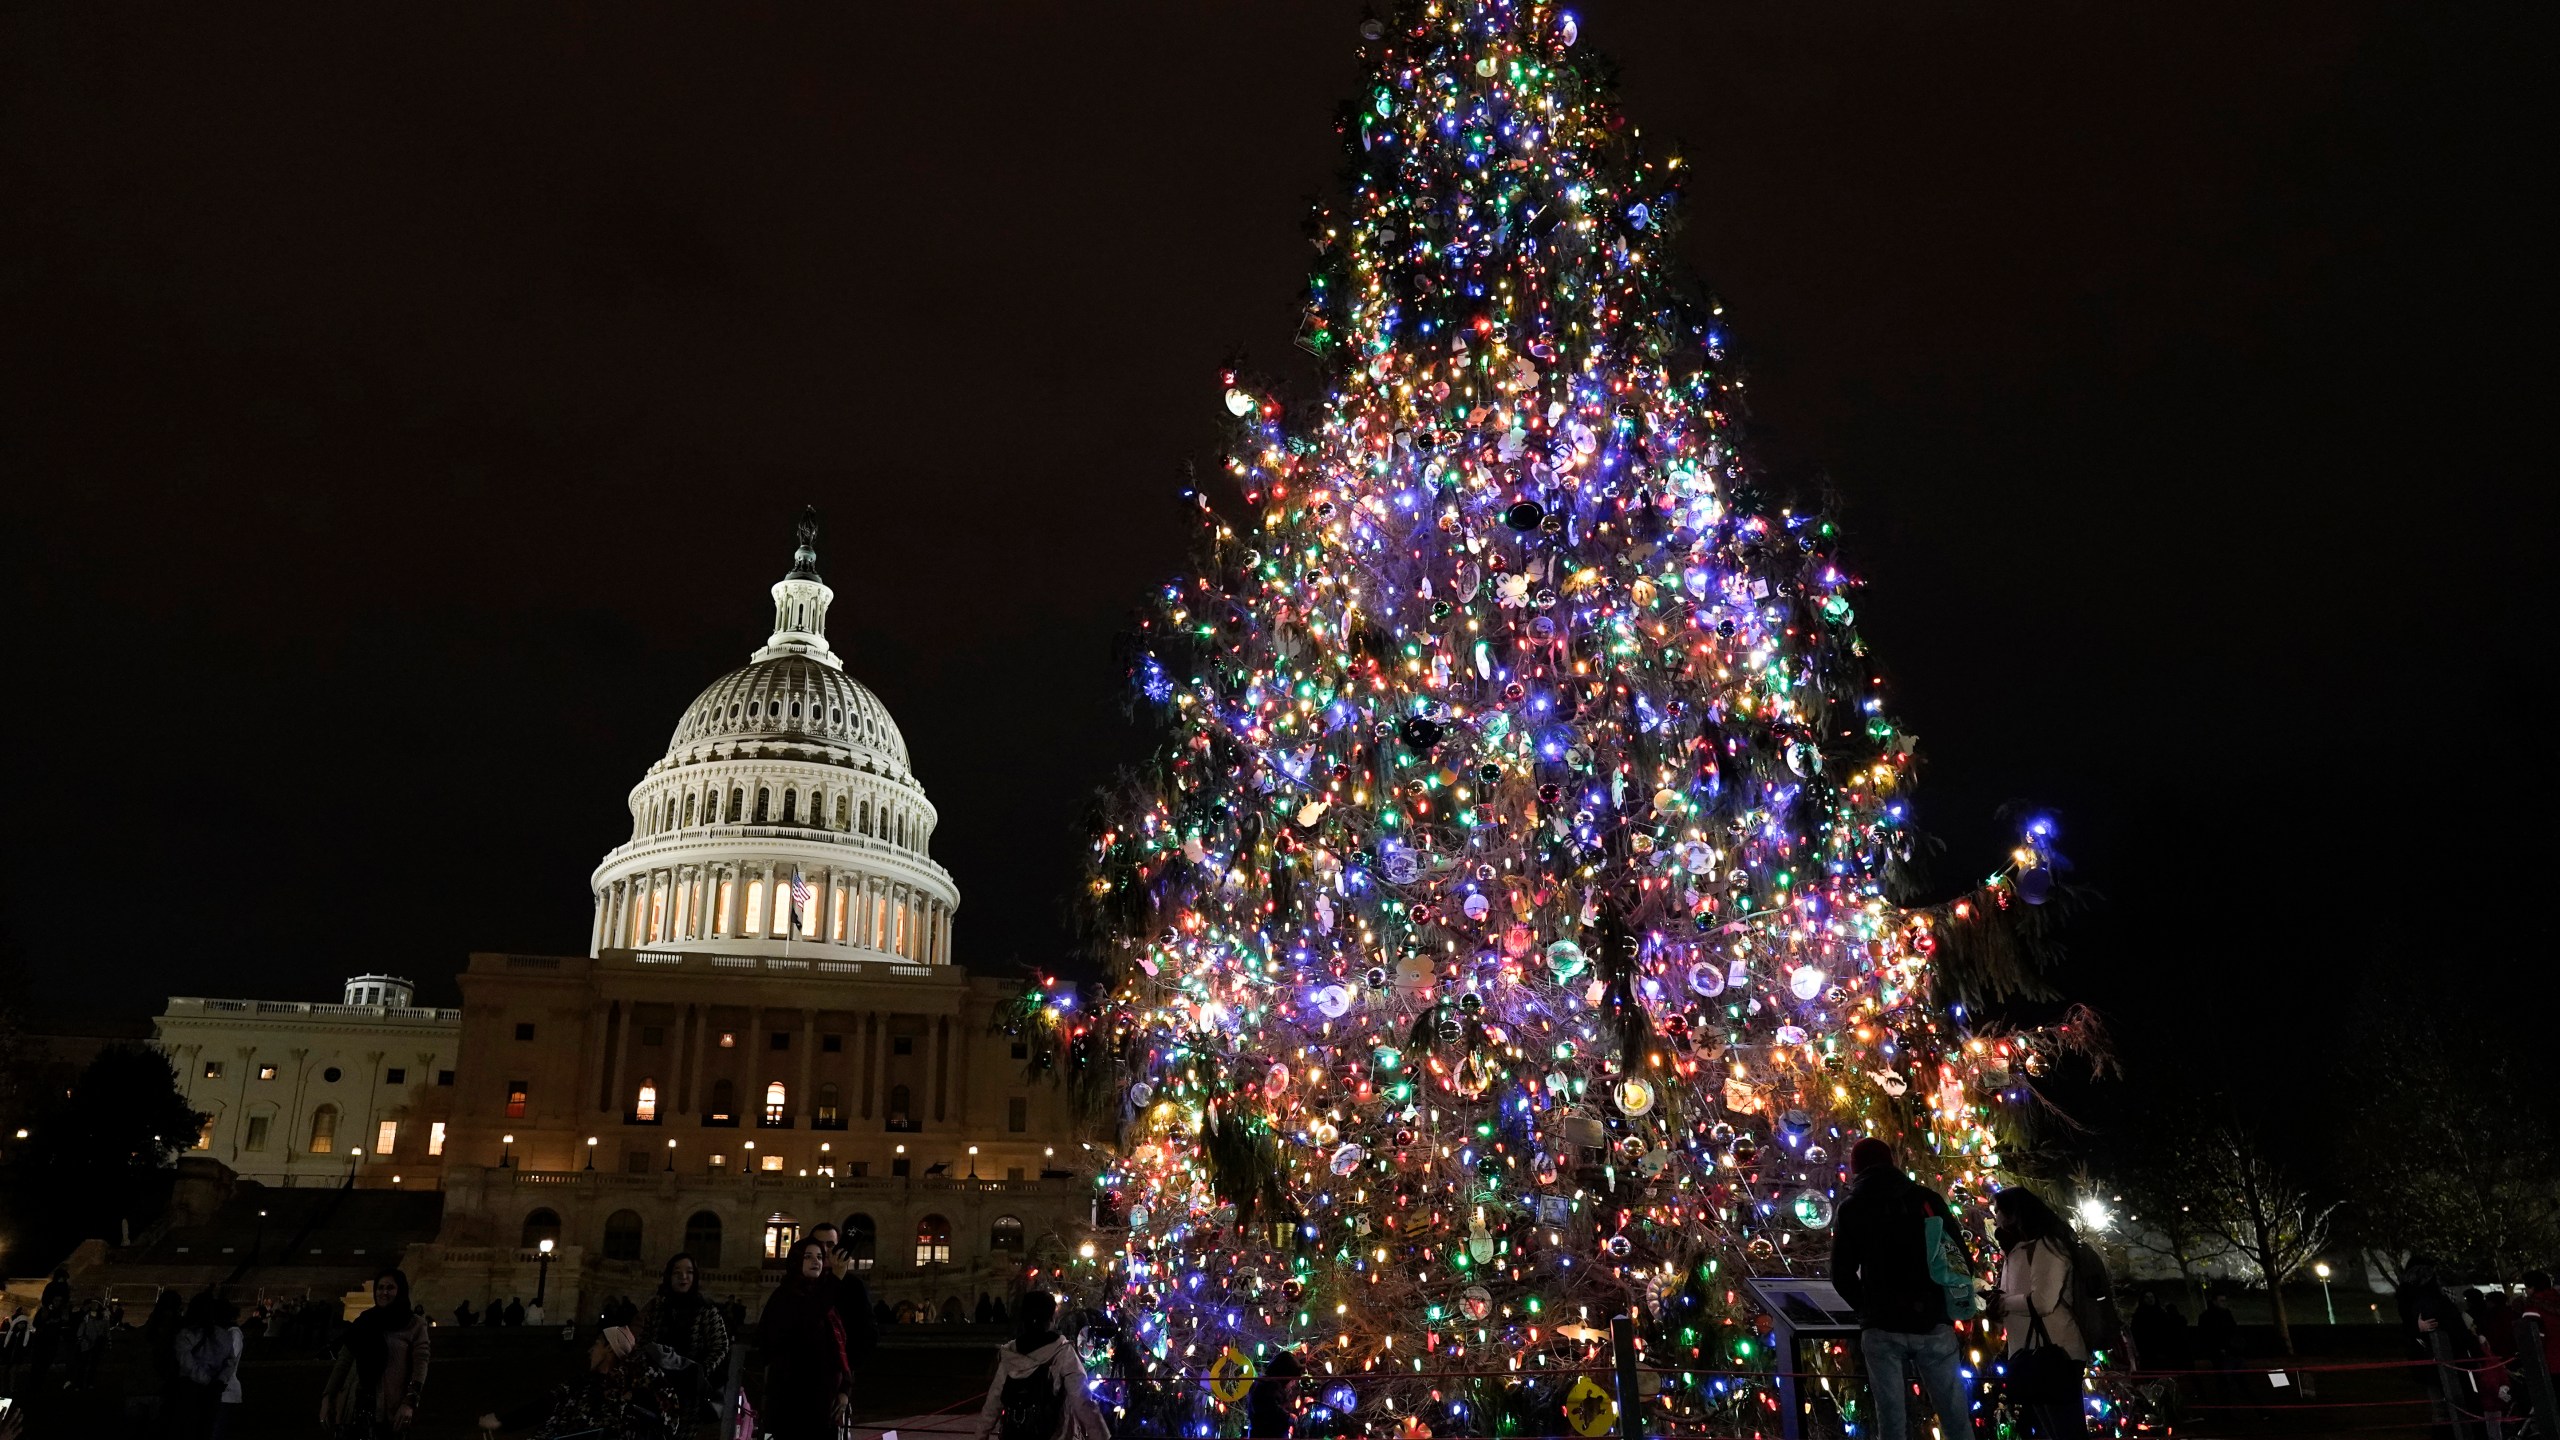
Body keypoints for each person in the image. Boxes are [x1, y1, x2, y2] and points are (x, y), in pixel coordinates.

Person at [1829, 1137, 1972, 1440]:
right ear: (1891, 1161)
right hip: (1931, 1320)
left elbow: (1841, 1274)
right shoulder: (1925, 1200)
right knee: (1954, 1415)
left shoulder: (1852, 1208)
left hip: (1882, 1325)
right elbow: (1959, 1259)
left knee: (1891, 1421)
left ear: (1856, 1168)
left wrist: (1868, 1307)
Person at [1993, 1186, 2090, 1438]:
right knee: (2054, 1431)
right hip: (2030, 1354)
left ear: (2015, 1214)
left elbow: (2044, 1302)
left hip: (2056, 1352)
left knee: (2066, 1431)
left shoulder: (2047, 1246)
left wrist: (2004, 1303)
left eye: (1999, 1211)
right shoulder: (2015, 1252)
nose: (1995, 1218)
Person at [477, 1324, 680, 1437]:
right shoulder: (583, 1382)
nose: (590, 1350)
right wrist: (504, 1420)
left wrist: (502, 1421)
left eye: (596, 1344)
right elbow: (546, 1404)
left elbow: (547, 1405)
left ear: (609, 1348)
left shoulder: (623, 1391)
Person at [970, 1290, 1110, 1440]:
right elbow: (1082, 1400)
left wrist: (981, 1435)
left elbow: (993, 1402)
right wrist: (1101, 1435)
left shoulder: (1011, 1353)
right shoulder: (1061, 1351)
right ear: (1050, 1317)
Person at [756, 1238, 852, 1440]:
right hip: (793, 1403)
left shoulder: (824, 1296)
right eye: (808, 1257)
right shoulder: (785, 1296)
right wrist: (835, 1280)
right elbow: (806, 1320)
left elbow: (838, 1347)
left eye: (819, 1257)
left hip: (825, 1402)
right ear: (795, 1260)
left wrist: (844, 1389)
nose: (815, 1261)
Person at [320, 1268, 431, 1437]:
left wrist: (410, 1402)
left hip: (389, 1408)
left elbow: (420, 1363)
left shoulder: (414, 1324)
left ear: (400, 1290)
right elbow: (344, 1361)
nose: (384, 1292)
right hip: (355, 1404)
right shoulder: (364, 1320)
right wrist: (328, 1397)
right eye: (380, 1287)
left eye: (390, 1288)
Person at [634, 1252, 732, 1424]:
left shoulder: (706, 1310)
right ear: (669, 1276)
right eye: (677, 1272)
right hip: (656, 1386)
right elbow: (644, 1339)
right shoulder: (658, 1308)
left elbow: (720, 1346)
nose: (683, 1277)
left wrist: (699, 1373)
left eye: (689, 1272)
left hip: (688, 1392)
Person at [806, 1223, 880, 1383]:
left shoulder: (854, 1286)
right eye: (819, 1244)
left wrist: (847, 1376)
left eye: (830, 1245)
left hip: (838, 1375)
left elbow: (866, 1333)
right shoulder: (802, 1284)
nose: (825, 1250)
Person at [1246, 1346, 1304, 1439]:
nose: (1293, 1384)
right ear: (1285, 1375)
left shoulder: (1264, 1384)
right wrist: (1289, 1417)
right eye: (1292, 1380)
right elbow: (1271, 1414)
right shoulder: (1267, 1387)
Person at [2196, 1294, 2239, 1368]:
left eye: (2225, 1301)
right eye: (2222, 1301)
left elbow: (2233, 1329)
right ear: (2214, 1302)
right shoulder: (2207, 1316)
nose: (2224, 1303)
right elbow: (2206, 1334)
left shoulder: (2226, 1314)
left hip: (2228, 1348)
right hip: (2217, 1349)